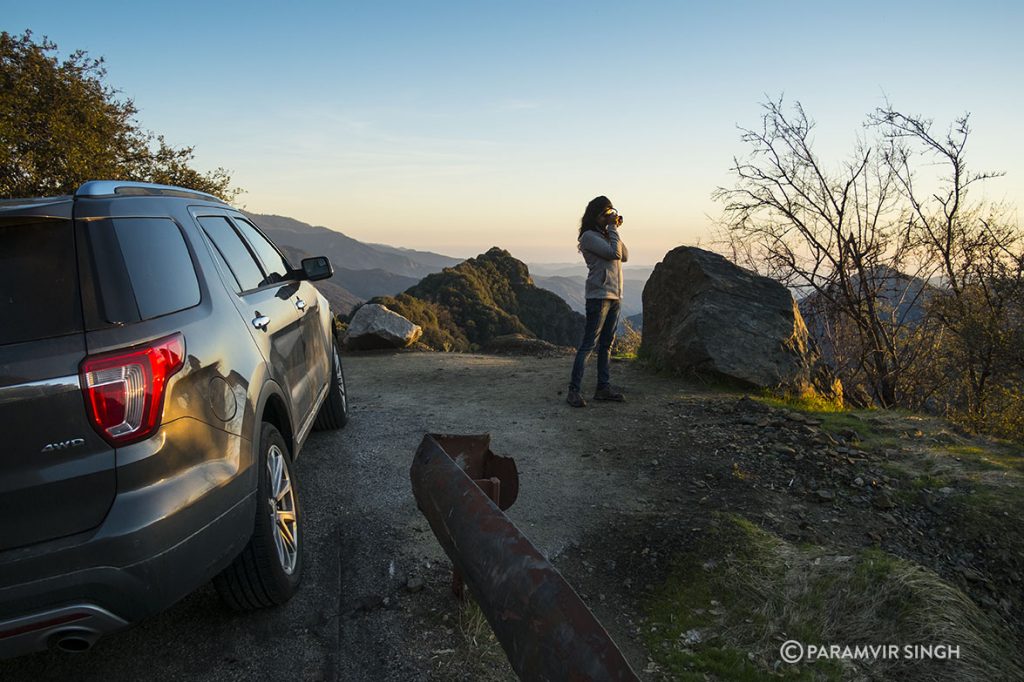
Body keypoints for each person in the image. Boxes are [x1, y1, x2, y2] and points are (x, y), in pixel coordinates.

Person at [566, 196, 628, 407]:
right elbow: (614, 253)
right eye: (606, 213)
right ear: (596, 215)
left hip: (615, 295)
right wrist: (612, 229)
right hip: (599, 296)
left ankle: (603, 388)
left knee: (607, 345)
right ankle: (573, 391)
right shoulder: (588, 237)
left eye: (611, 213)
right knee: (588, 345)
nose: (609, 217)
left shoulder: (605, 234)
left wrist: (613, 229)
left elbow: (625, 255)